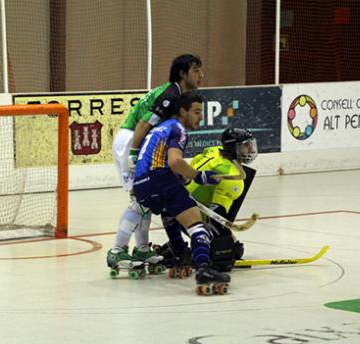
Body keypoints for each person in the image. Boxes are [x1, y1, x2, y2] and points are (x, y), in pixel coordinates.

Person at [107, 54, 204, 275]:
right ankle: (118, 249)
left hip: (141, 142)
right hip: (132, 138)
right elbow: (143, 123)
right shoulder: (171, 94)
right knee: (139, 198)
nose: (201, 75)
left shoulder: (178, 94)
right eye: (196, 70)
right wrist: (133, 153)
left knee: (147, 198)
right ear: (182, 73)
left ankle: (142, 249)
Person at [132, 92, 231, 295]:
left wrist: (181, 178)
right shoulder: (178, 129)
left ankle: (179, 255)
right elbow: (175, 162)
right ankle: (204, 269)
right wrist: (198, 176)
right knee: (196, 225)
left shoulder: (161, 128)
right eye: (196, 112)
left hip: (141, 185)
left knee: (171, 211)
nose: (200, 117)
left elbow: (156, 160)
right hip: (159, 179)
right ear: (182, 111)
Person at [156, 128, 258, 274]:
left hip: (171, 210)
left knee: (231, 242)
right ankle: (188, 251)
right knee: (236, 249)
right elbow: (216, 219)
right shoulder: (233, 177)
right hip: (189, 216)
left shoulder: (213, 150)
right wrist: (220, 250)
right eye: (245, 145)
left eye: (250, 144)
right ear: (232, 147)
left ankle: (177, 245)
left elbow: (193, 166)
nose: (250, 149)